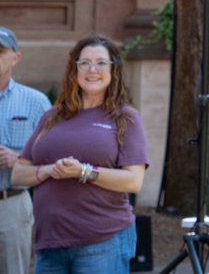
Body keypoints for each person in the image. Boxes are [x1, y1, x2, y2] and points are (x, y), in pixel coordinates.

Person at [12, 36, 146, 274]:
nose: (92, 70)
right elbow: (19, 174)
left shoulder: (125, 118)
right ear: (74, 69)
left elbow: (133, 181)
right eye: (84, 63)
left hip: (101, 242)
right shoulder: (52, 116)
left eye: (101, 63)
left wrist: (83, 171)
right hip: (50, 243)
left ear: (114, 69)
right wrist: (49, 170)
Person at [0, 27, 51, 274]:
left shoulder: (37, 102)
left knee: (13, 270)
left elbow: (54, 156)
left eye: (0, 51)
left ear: (15, 57)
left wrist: (18, 159)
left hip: (12, 203)